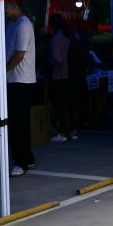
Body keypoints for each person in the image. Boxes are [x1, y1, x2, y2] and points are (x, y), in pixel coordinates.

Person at [4, 1, 36, 177]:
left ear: (14, 6)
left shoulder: (23, 24)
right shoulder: (11, 24)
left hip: (21, 80)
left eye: (6, 6)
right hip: (14, 79)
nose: (3, 10)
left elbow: (19, 54)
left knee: (18, 123)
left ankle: (21, 162)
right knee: (18, 122)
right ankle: (27, 158)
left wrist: (3, 71)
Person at [48, 14, 76, 143]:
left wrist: (49, 61)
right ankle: (72, 130)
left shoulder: (55, 38)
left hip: (60, 74)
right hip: (72, 73)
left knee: (61, 105)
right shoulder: (69, 35)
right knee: (70, 104)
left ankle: (62, 132)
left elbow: (57, 58)